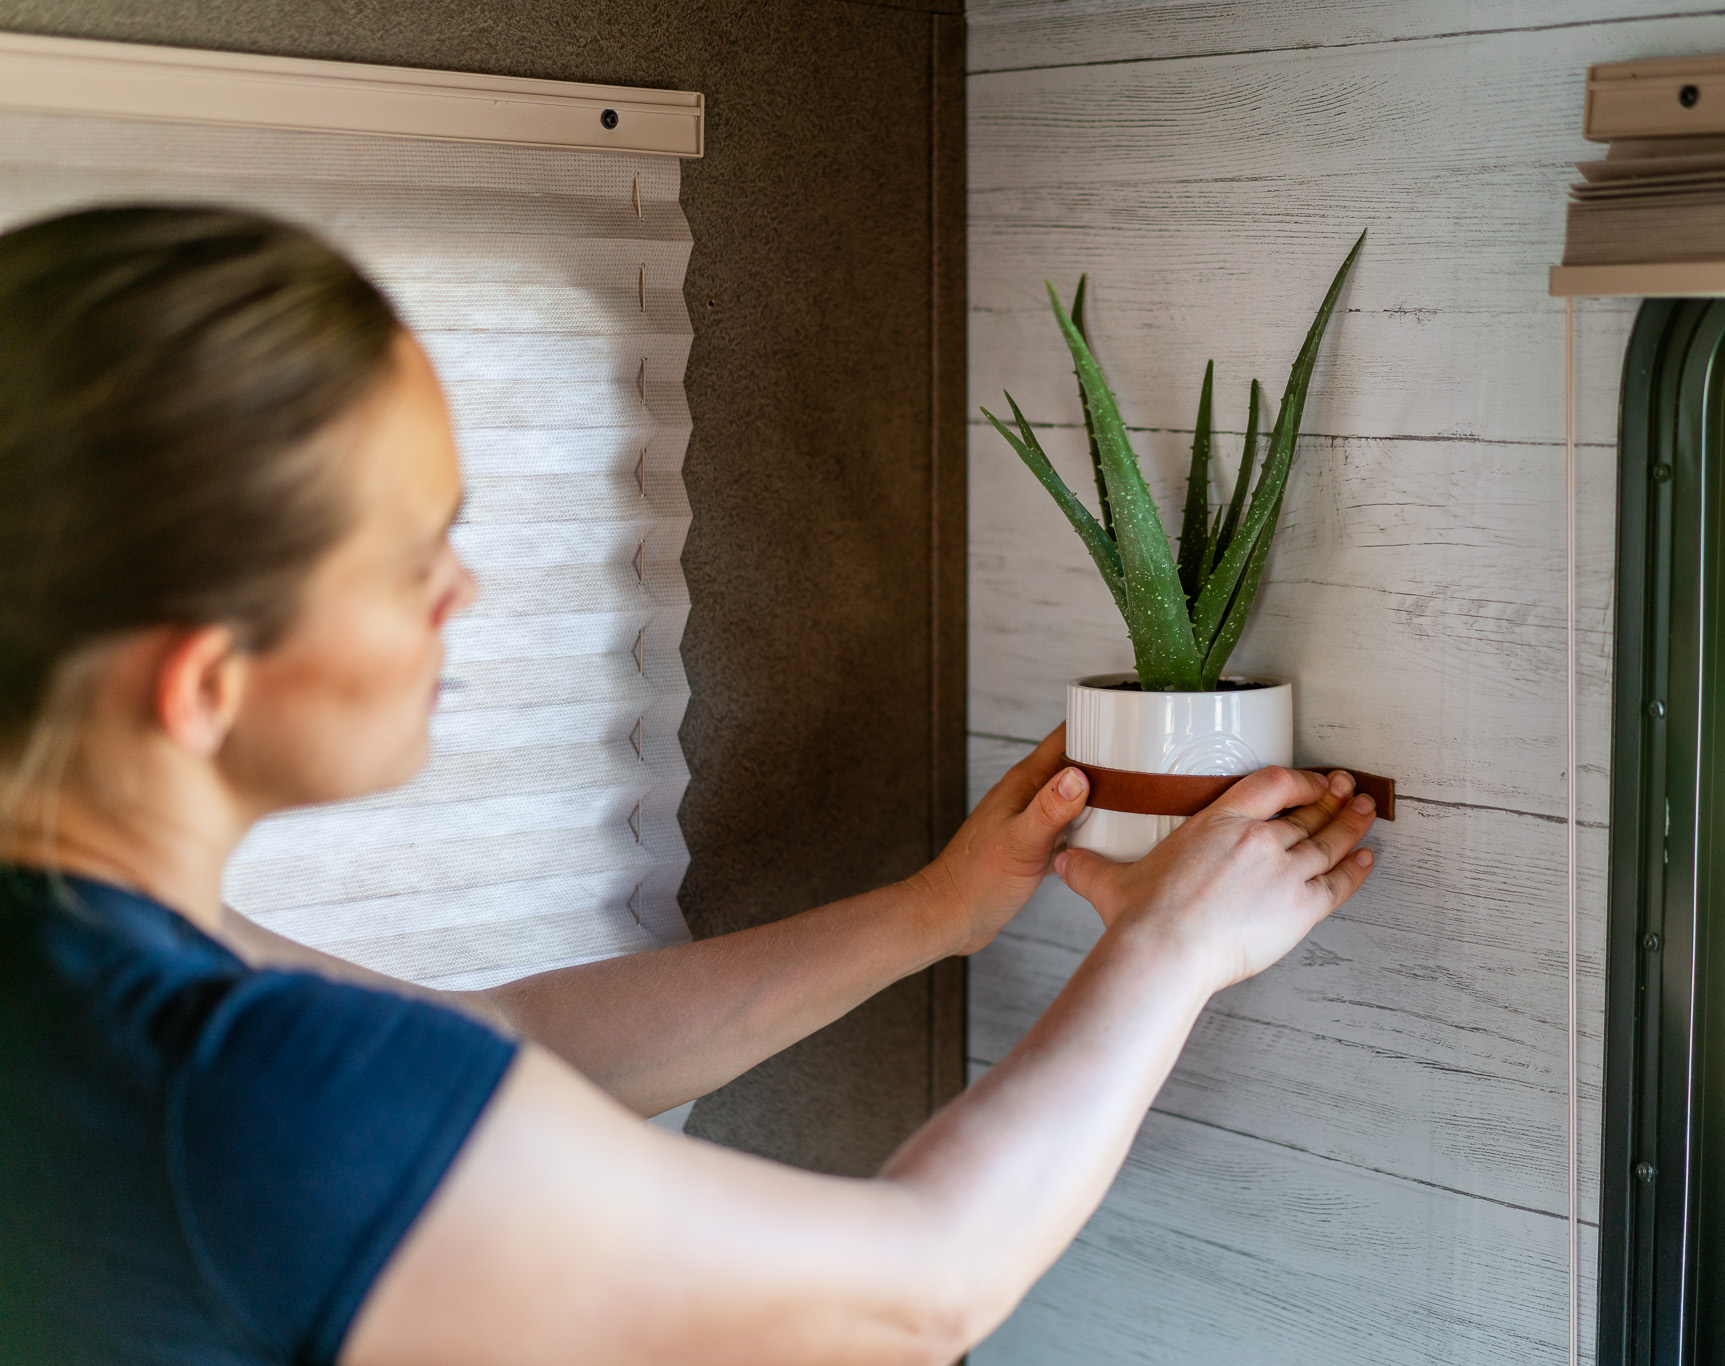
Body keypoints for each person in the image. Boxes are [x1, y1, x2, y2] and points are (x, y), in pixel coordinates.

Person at [0, 205, 1378, 1365]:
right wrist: (1167, 947)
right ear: (204, 681)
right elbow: (916, 1289)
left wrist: (934, 913)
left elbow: (493, 1044)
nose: (462, 589)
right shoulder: (231, 1090)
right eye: (415, 553)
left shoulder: (80, 961)